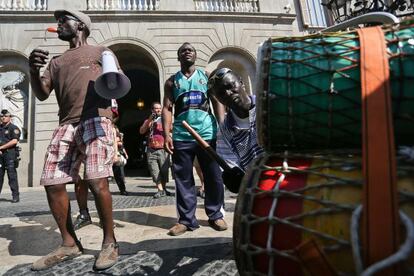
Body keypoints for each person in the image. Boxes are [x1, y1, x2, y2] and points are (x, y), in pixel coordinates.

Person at [29, 10, 120, 271]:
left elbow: (117, 83)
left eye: (63, 21)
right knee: (52, 181)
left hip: (95, 119)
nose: (57, 25)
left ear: (80, 25)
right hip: (66, 123)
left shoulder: (101, 51)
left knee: (95, 178)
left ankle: (109, 243)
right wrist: (33, 70)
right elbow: (43, 93)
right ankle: (69, 243)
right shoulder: (56, 62)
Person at [162, 42, 227, 236]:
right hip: (182, 136)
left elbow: (217, 101)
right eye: (183, 50)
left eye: (190, 50)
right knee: (183, 179)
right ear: (178, 57)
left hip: (207, 134)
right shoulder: (172, 82)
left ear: (195, 56)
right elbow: (167, 109)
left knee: (213, 176)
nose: (187, 52)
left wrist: (222, 127)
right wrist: (167, 134)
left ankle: (215, 215)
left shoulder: (206, 77)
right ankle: (186, 220)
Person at [208, 68, 264, 191]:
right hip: (257, 190)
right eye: (221, 93)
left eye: (230, 86)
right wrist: (235, 178)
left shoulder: (266, 106)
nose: (228, 93)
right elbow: (231, 165)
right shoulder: (225, 131)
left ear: (241, 83)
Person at [139, 102, 171, 198]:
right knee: (154, 171)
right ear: (152, 110)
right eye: (156, 108)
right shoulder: (149, 121)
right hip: (151, 149)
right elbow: (141, 131)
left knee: (164, 170)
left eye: (159, 108)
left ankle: (164, 188)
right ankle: (160, 189)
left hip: (163, 148)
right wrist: (150, 120)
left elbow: (172, 129)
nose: (158, 110)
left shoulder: (165, 120)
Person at [0, 109, 21, 203]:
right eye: (2, 116)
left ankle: (15, 196)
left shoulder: (14, 128)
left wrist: (1, 148)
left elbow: (14, 141)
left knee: (11, 176)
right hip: (0, 156)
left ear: (10, 117)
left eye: (6, 116)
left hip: (10, 155)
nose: (3, 117)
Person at [113, 125, 129, 195]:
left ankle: (122, 189)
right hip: (110, 154)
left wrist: (125, 154)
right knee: (117, 173)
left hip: (117, 155)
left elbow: (121, 145)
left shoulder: (116, 132)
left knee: (119, 173)